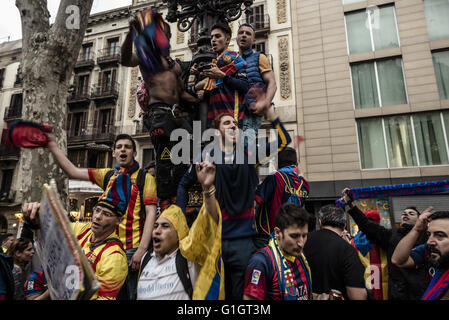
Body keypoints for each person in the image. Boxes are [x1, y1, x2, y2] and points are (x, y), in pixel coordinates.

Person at [177, 103, 291, 300]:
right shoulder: (206, 156)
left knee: (240, 296)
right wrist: (181, 218)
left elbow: (283, 140)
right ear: (216, 131)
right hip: (215, 242)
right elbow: (183, 185)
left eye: (235, 124)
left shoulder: (250, 153)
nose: (233, 126)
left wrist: (269, 112)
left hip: (243, 242)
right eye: (227, 123)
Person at [47, 133, 156, 300]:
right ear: (113, 153)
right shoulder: (107, 175)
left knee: (133, 295)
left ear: (134, 153)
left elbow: (150, 214)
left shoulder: (145, 178)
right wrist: (52, 144)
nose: (123, 150)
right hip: (104, 248)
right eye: (119, 147)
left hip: (131, 249)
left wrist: (141, 250)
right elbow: (72, 171)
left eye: (127, 147)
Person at [121, 9, 198, 207]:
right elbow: (125, 59)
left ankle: (182, 203)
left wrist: (202, 99)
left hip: (177, 117)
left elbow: (181, 94)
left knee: (185, 160)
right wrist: (131, 32)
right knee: (165, 163)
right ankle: (165, 204)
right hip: (159, 116)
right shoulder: (147, 58)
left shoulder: (175, 66)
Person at [137, 154, 224, 300]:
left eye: (165, 226)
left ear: (179, 233)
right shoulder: (146, 258)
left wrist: (207, 189)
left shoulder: (189, 257)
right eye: (156, 226)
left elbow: (209, 222)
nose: (157, 230)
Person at [22, 196, 129, 300]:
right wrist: (39, 213)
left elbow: (105, 297)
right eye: (97, 210)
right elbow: (54, 227)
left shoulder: (115, 256)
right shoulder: (85, 229)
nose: (97, 216)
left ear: (119, 220)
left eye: (106, 214)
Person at [342, 188, 429, 300]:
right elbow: (367, 225)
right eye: (403, 213)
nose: (406, 214)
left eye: (411, 213)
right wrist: (351, 205)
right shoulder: (391, 234)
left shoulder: (427, 236)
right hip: (398, 292)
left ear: (419, 219)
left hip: (421, 291)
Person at [243, 202, 312, 300]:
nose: (301, 243)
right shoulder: (261, 262)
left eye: (304, 236)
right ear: (277, 232)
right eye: (294, 236)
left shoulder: (300, 256)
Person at [303, 205, 367, 300]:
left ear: (320, 222)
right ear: (344, 225)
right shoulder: (347, 250)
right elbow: (357, 296)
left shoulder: (302, 242)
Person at [193, 22, 249, 129]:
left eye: (217, 36)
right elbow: (220, 89)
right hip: (215, 119)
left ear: (227, 40)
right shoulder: (215, 63)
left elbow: (244, 86)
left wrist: (222, 76)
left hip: (231, 117)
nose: (213, 40)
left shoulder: (235, 59)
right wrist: (205, 94)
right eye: (212, 37)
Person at [254, 147, 309, 247]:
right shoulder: (304, 184)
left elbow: (256, 201)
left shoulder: (274, 178)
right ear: (296, 164)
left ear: (276, 164)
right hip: (290, 237)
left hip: (268, 236)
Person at [391, 208, 449, 300]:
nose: (430, 241)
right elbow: (398, 260)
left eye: (440, 235)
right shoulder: (427, 250)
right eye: (429, 234)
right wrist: (417, 229)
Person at [237, 23, 277, 139]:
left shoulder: (260, 57)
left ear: (254, 41)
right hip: (233, 112)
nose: (244, 35)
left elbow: (272, 83)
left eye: (248, 34)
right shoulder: (232, 60)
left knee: (244, 149)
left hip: (250, 115)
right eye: (241, 33)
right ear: (236, 38)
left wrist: (265, 102)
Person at [349, 209, 389, 300]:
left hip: (363, 285)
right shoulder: (385, 237)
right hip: (384, 285)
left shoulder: (353, 241)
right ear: (378, 222)